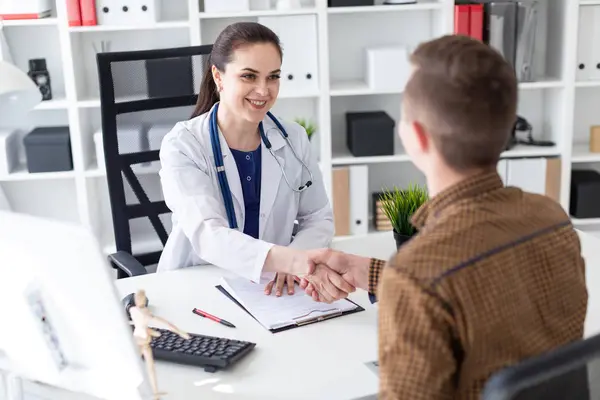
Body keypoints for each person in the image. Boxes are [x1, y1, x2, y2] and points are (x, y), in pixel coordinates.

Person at [301, 35, 588, 399]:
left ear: (416, 137)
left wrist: (403, 280)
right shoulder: (551, 217)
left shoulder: (419, 275)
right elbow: (479, 290)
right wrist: (374, 275)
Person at [157, 22, 340, 296]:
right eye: (249, 76)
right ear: (218, 77)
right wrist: (291, 261)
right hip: (199, 287)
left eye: (273, 76)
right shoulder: (183, 145)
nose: (264, 90)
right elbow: (210, 235)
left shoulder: (293, 138)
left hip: (273, 288)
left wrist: (294, 260)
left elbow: (318, 217)